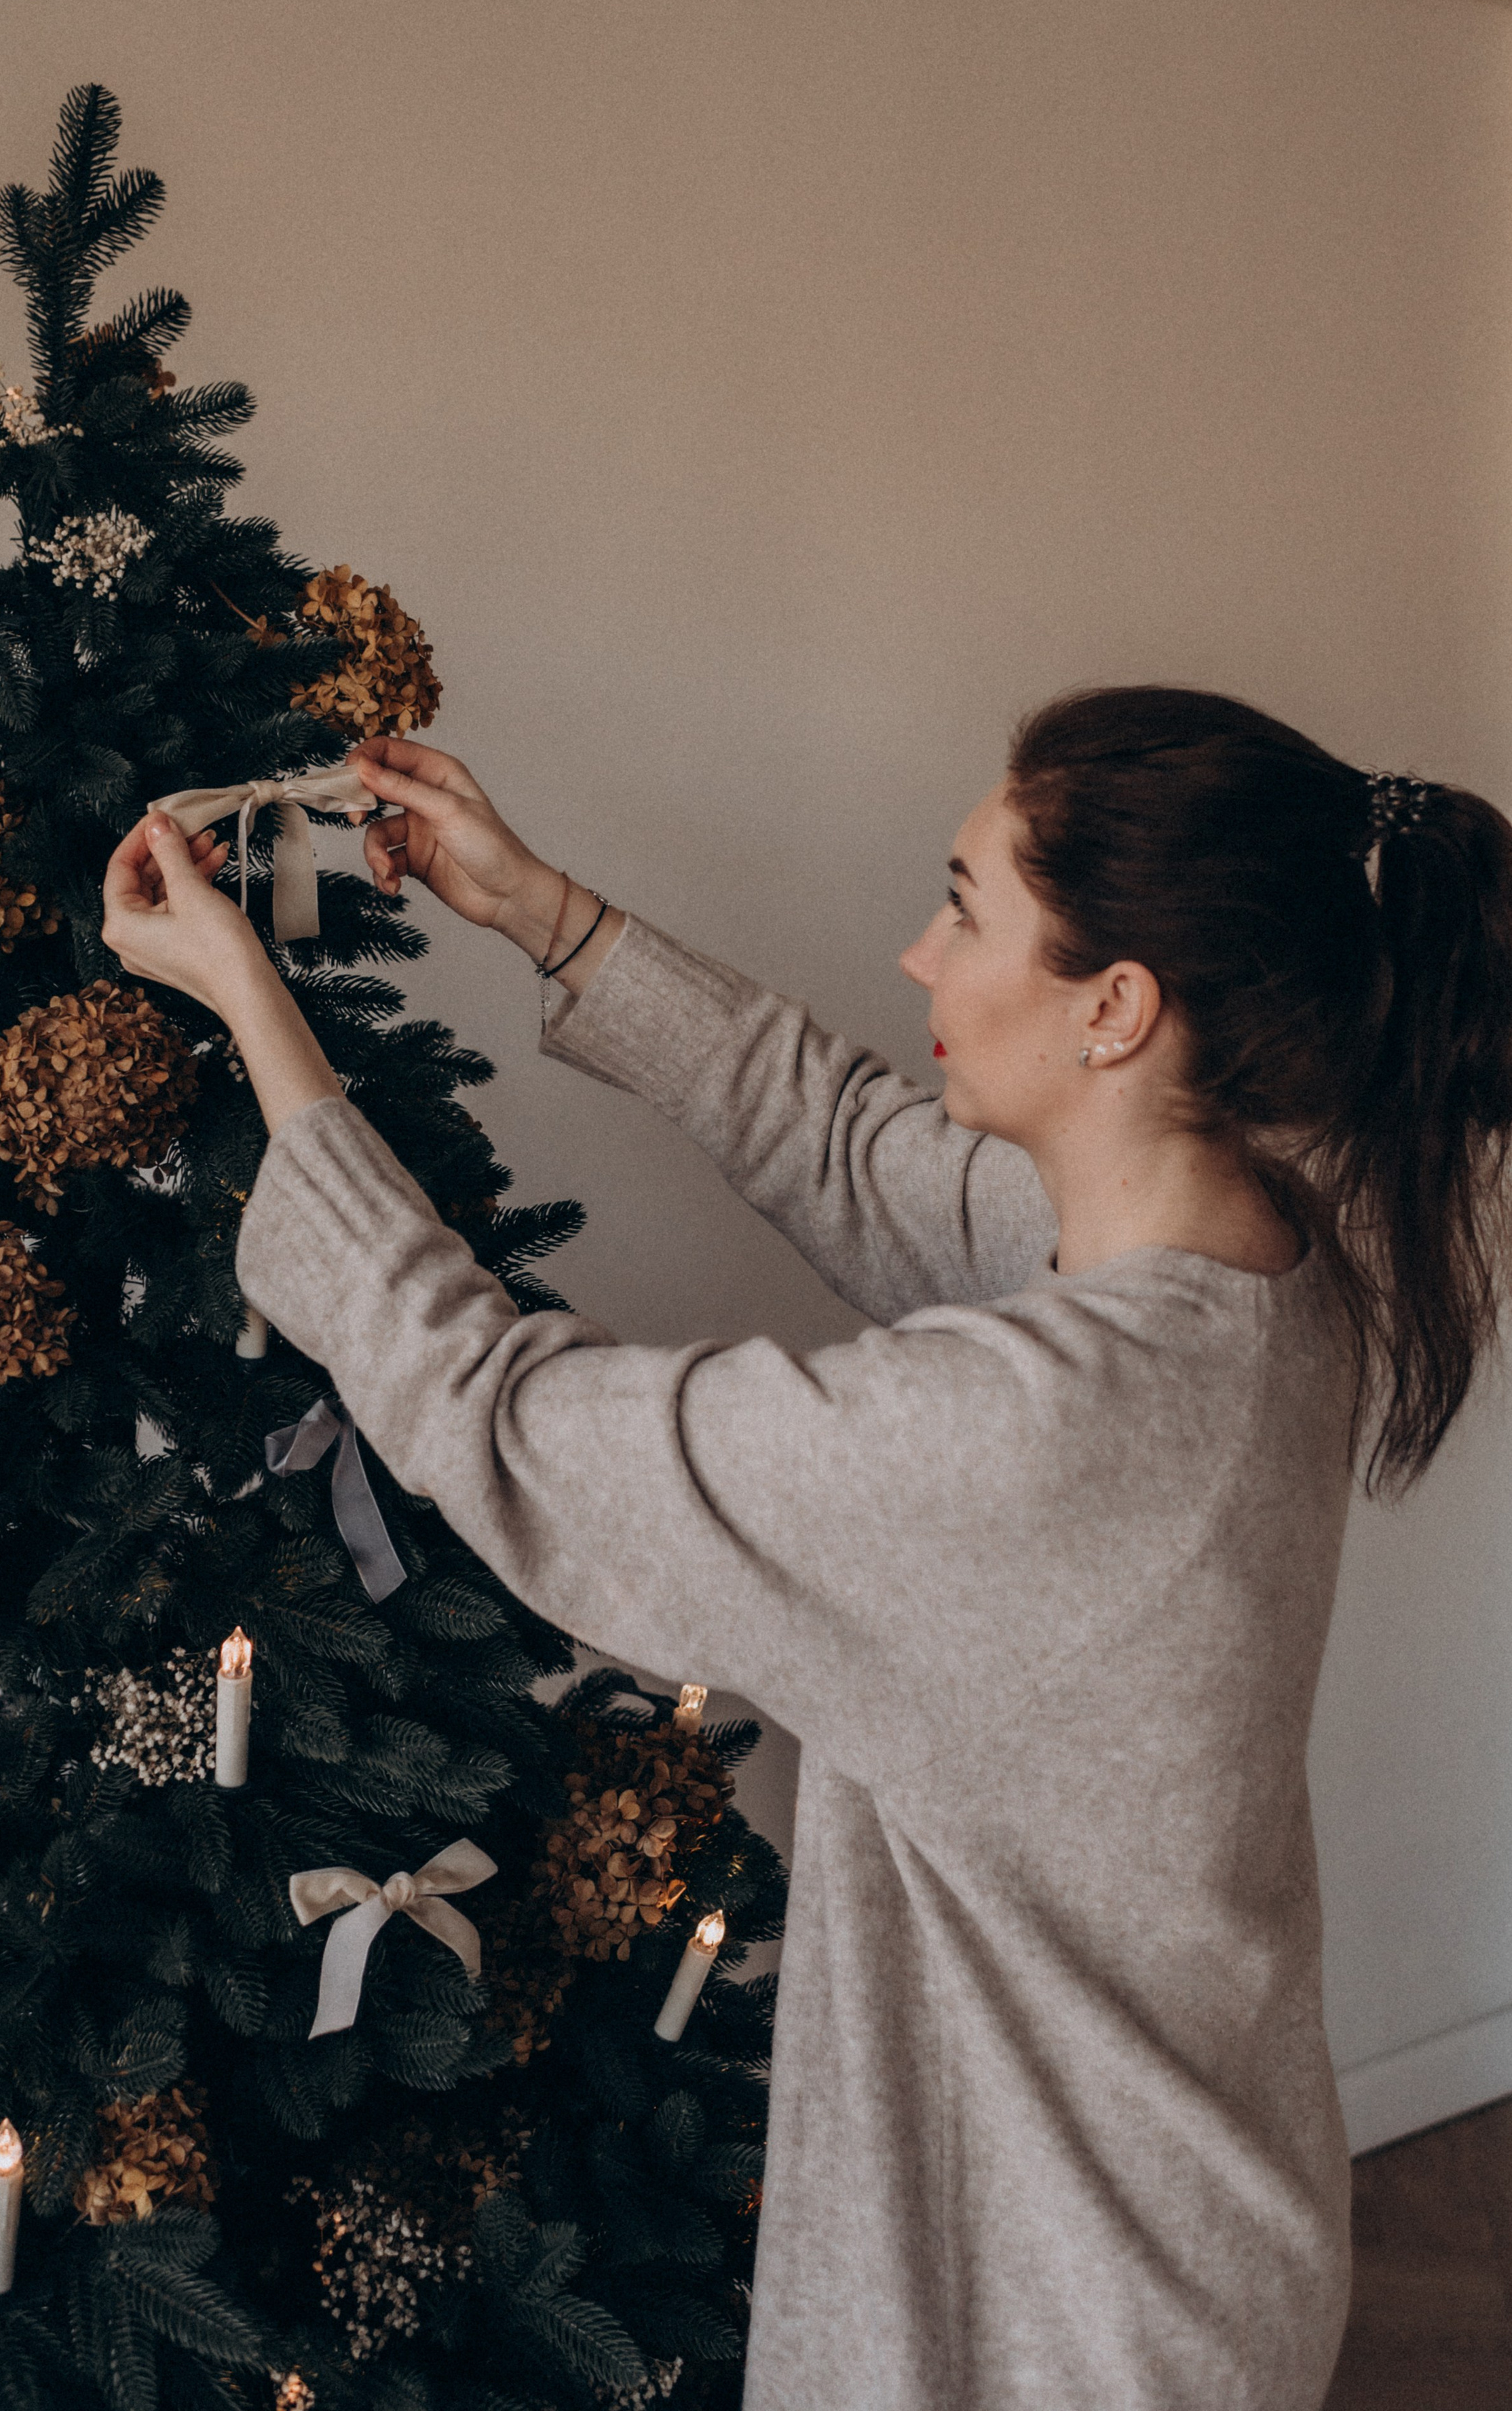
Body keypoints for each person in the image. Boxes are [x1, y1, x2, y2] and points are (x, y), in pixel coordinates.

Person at [102, 686, 1512, 2411]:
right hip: (1203, 2229)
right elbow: (853, 1148)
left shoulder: (1022, 1433)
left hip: (1052, 2310)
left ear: (1115, 1009)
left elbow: (510, 1419)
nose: (917, 957)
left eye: (963, 906)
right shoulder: (1257, 1258)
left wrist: (257, 1012)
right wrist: (541, 910)